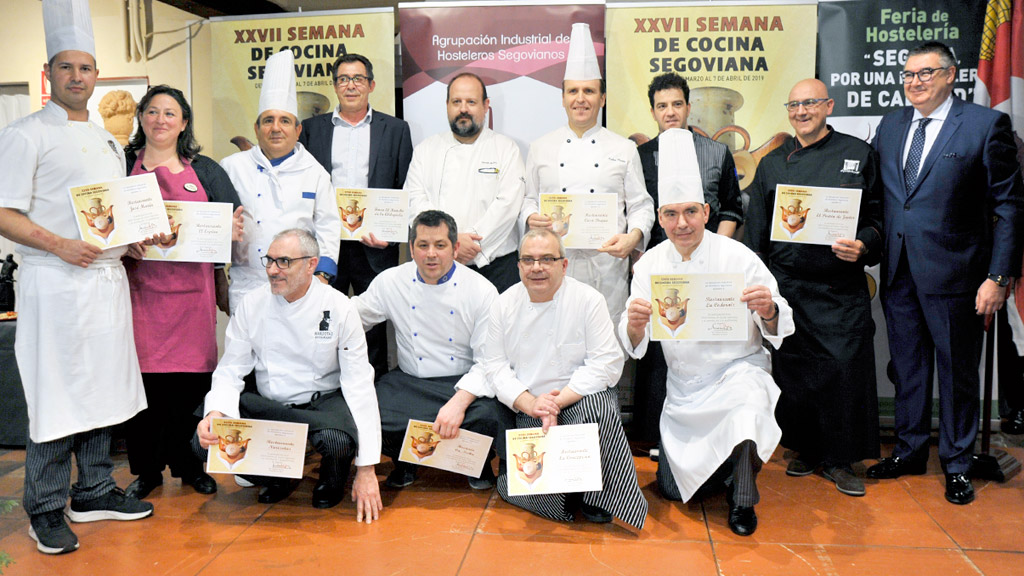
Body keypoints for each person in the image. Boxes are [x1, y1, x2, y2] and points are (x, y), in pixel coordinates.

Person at [0, 0, 153, 555]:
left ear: (96, 75)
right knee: (57, 394)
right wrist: (60, 244)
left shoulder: (107, 138)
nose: (76, 76)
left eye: (85, 67)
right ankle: (44, 507)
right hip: (54, 284)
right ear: (50, 73)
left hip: (105, 284)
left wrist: (132, 238)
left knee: (103, 389)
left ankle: (92, 491)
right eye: (66, 67)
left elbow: (107, 212)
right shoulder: (24, 134)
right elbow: (4, 213)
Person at [869, 41, 1023, 505]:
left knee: (957, 373)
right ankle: (910, 451)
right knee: (908, 369)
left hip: (958, 277)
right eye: (908, 74)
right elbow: (881, 195)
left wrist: (999, 277)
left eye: (926, 73)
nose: (915, 82)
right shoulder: (891, 125)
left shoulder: (984, 125)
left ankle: (957, 464)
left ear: (950, 75)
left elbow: (1009, 206)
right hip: (899, 272)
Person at [620, 129, 794, 536]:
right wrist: (634, 324)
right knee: (671, 490)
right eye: (671, 214)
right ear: (660, 218)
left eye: (690, 212)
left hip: (737, 371)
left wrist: (767, 308)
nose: (681, 224)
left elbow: (778, 321)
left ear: (706, 211)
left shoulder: (737, 256)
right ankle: (725, 468)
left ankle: (743, 496)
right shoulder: (649, 265)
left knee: (748, 405)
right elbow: (633, 342)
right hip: (686, 389)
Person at [742, 79, 883, 497]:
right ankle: (804, 448)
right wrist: (761, 284)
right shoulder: (772, 164)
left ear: (829, 106)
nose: (801, 112)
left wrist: (864, 245)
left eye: (810, 103)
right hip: (789, 288)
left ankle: (841, 459)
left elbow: (879, 218)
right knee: (796, 371)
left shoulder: (859, 154)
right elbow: (757, 231)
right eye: (794, 105)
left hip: (840, 288)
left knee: (844, 370)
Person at [194, 228, 383, 520]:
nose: (272, 270)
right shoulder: (252, 304)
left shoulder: (339, 308)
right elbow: (231, 369)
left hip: (321, 402)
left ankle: (331, 480)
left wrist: (367, 468)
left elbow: (359, 384)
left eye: (283, 262)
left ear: (311, 265)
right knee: (203, 443)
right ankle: (276, 477)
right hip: (269, 403)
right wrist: (216, 413)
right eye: (269, 260)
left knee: (337, 443)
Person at [119, 85, 244, 500]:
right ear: (141, 117)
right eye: (153, 111)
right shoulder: (122, 165)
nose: (161, 120)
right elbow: (105, 222)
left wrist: (231, 230)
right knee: (144, 388)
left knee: (190, 385)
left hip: (192, 295)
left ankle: (191, 466)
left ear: (184, 122)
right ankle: (147, 471)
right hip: (139, 293)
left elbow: (234, 220)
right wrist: (123, 243)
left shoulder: (205, 170)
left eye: (170, 113)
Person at [483, 228, 648, 530]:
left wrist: (557, 402)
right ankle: (568, 494)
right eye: (529, 260)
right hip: (530, 407)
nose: (537, 267)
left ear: (564, 264)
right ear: (518, 265)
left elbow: (606, 363)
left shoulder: (588, 300)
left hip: (577, 399)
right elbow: (494, 366)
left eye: (547, 259)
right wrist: (531, 403)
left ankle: (597, 497)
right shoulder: (503, 305)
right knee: (533, 486)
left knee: (600, 408)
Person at [352, 210, 505, 489]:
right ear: (411, 249)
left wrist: (459, 403)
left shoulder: (481, 290)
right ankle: (405, 460)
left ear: (455, 248)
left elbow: (489, 360)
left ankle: (476, 462)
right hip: (411, 382)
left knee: (491, 416)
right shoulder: (391, 281)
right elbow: (353, 317)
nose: (431, 254)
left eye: (440, 245)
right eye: (423, 245)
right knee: (369, 412)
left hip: (462, 383)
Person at [633, 71, 744, 445]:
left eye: (676, 104)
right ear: (653, 111)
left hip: (709, 266)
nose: (670, 112)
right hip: (660, 267)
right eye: (662, 106)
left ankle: (710, 436)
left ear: (688, 107)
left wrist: (713, 255)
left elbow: (731, 208)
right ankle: (654, 438)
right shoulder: (640, 157)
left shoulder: (716, 152)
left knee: (705, 349)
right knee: (660, 350)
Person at [521, 23, 654, 322]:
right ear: (563, 97)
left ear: (602, 98)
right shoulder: (540, 148)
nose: (580, 99)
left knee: (606, 340)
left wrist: (633, 237)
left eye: (589, 91)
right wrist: (531, 217)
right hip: (555, 267)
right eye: (573, 91)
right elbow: (529, 200)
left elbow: (641, 206)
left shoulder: (624, 149)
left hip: (607, 270)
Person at [299, 53, 413, 379]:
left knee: (372, 325)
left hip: (374, 245)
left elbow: (404, 186)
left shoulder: (395, 129)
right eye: (344, 79)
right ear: (335, 86)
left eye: (358, 79)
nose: (351, 85)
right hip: (326, 245)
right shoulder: (311, 130)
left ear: (371, 85)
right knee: (322, 317)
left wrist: (392, 231)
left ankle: (374, 387)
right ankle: (326, 384)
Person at [221, 49, 341, 314]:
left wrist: (321, 278)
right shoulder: (231, 167)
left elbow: (328, 228)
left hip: (299, 289)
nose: (276, 128)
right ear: (256, 128)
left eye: (284, 121)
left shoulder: (315, 173)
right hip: (247, 286)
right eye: (268, 120)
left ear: (297, 130)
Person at [405, 73, 525, 293]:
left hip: (496, 267)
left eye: (471, 102)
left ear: (485, 105)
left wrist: (468, 245)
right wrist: (448, 244)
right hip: (438, 265)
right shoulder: (425, 150)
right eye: (456, 102)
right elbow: (414, 202)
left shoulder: (506, 149)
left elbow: (507, 205)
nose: (463, 109)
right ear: (447, 105)